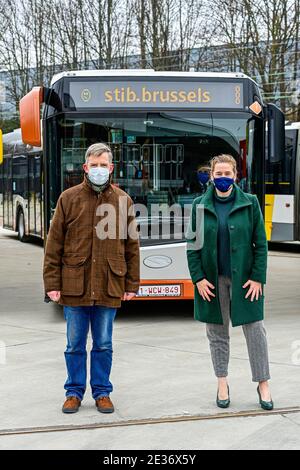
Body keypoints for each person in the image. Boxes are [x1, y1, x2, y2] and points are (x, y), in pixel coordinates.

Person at [43, 143, 140, 414]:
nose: (99, 170)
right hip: (75, 286)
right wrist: (52, 284)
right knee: (74, 345)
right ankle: (73, 392)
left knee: (104, 344)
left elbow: (132, 246)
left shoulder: (124, 201)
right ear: (86, 168)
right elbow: (54, 245)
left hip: (109, 285)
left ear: (111, 168)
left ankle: (102, 392)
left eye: (103, 165)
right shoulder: (68, 198)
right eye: (94, 165)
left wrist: (132, 284)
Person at [186, 153, 273, 410]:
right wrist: (198, 278)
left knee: (256, 331)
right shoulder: (199, 205)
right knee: (217, 333)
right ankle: (222, 382)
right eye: (218, 174)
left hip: (246, 281)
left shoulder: (250, 203)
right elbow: (193, 246)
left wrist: (258, 277)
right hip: (212, 281)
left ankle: (263, 382)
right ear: (211, 176)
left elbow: (261, 244)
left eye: (228, 173)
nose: (223, 178)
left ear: (236, 175)